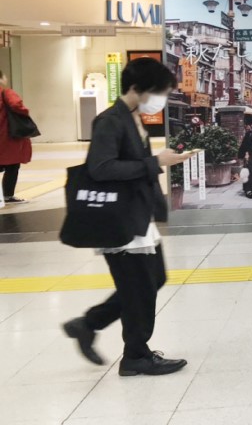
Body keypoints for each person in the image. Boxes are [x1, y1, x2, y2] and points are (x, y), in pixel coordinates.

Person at [63, 58, 193, 376]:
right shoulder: (110, 120)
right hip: (118, 220)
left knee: (152, 280)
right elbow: (101, 167)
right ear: (137, 88)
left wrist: (163, 163)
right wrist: (155, 162)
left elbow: (135, 164)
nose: (160, 99)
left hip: (137, 215)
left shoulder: (133, 117)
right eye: (159, 92)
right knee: (139, 288)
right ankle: (136, 355)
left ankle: (89, 323)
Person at [0, 68, 33, 203]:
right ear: (2, 78)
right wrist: (24, 112)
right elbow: (17, 105)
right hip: (7, 135)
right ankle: (7, 195)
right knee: (12, 166)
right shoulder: (6, 92)